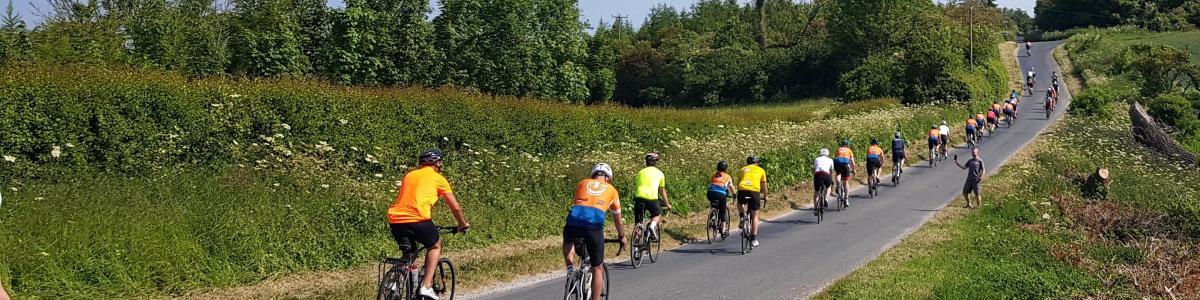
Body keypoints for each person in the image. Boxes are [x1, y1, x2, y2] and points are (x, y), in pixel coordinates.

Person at [387, 149, 471, 300]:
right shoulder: (438, 178)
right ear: (437, 163)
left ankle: (394, 283)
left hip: (396, 220)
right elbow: (456, 208)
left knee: (409, 254)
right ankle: (426, 287)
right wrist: (462, 224)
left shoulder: (409, 175)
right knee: (435, 246)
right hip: (418, 219)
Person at [563, 163, 627, 300]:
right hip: (594, 225)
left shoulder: (582, 183)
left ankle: (570, 270)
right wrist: (622, 236)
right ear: (608, 178)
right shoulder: (612, 190)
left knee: (569, 240)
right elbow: (618, 220)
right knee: (597, 268)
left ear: (593, 175)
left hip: (574, 220)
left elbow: (580, 203)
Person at [634, 152, 672, 241]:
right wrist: (667, 204)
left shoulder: (640, 172)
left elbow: (637, 185)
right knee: (656, 215)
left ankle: (635, 245)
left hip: (639, 199)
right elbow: (662, 191)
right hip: (652, 199)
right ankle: (652, 225)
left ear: (646, 162)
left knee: (639, 223)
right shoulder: (660, 173)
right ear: (655, 162)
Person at [737, 155, 768, 247]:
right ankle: (754, 239)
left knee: (740, 202)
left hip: (742, 189)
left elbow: (738, 183)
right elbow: (764, 186)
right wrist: (765, 196)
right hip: (754, 191)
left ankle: (742, 216)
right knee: (755, 215)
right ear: (757, 163)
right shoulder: (761, 170)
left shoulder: (742, 169)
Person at [706, 160, 735, 238]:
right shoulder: (728, 176)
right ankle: (723, 231)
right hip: (720, 194)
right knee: (723, 212)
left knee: (714, 203)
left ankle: (712, 216)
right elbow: (731, 187)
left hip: (710, 193)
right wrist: (734, 194)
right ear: (725, 168)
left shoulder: (714, 175)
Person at [833, 140, 856, 207]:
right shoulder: (849, 150)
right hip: (845, 165)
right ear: (847, 145)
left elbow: (835, 157)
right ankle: (846, 199)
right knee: (846, 182)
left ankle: (837, 183)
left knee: (838, 174)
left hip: (837, 164)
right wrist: (853, 169)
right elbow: (852, 161)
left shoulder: (838, 149)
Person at [812, 149, 835, 214]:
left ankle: (816, 208)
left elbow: (814, 170)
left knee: (816, 192)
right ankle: (826, 198)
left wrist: (815, 177)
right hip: (826, 175)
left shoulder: (816, 159)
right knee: (829, 187)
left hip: (818, 175)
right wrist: (831, 179)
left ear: (820, 153)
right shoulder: (830, 160)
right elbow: (831, 171)